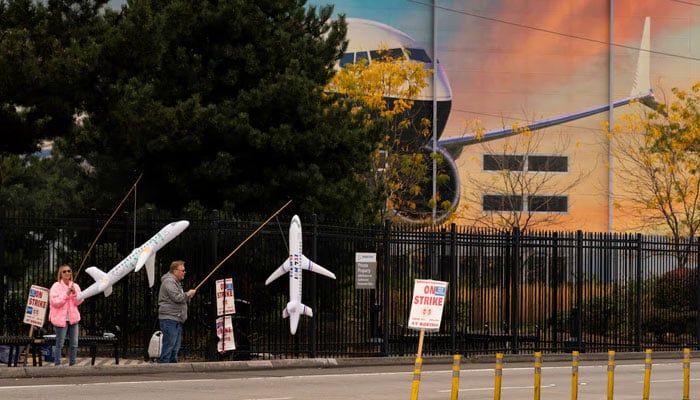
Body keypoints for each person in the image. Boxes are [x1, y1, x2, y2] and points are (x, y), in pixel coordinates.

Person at [158, 260, 196, 363]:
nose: (185, 272)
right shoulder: (169, 282)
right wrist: (188, 294)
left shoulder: (175, 282)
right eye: (183, 270)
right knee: (169, 346)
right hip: (170, 319)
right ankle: (164, 367)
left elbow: (179, 298)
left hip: (176, 318)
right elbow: (177, 297)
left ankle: (172, 368)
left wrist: (188, 295)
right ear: (175, 271)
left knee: (174, 347)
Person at [49, 264, 84, 366]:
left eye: (69, 271)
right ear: (60, 273)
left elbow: (79, 301)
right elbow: (55, 302)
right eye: (64, 271)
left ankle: (72, 364)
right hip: (61, 319)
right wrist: (66, 294)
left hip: (73, 318)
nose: (67, 273)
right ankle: (57, 364)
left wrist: (74, 294)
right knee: (60, 343)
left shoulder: (75, 286)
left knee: (74, 344)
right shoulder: (56, 286)